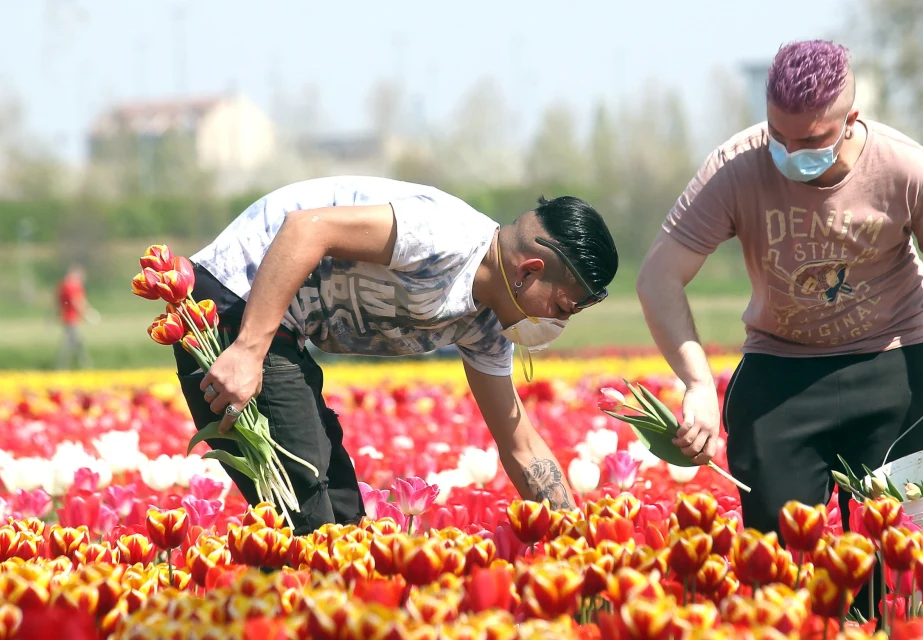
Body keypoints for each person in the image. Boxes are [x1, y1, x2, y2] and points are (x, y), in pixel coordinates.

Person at [637, 40, 923, 614]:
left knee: (890, 567)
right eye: (778, 135)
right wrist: (699, 385)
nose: (788, 152)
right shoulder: (735, 168)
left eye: (809, 140)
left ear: (851, 118)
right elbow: (659, 277)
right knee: (778, 568)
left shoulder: (906, 166)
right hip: (780, 372)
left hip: (893, 366)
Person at [183, 176, 617, 533]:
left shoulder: (486, 322)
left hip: (282, 337)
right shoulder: (443, 235)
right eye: (560, 307)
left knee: (343, 520)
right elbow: (306, 229)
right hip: (231, 305)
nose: (557, 324)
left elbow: (520, 445)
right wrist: (246, 350)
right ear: (529, 271)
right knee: (308, 524)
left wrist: (575, 541)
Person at [56, 264, 95, 369]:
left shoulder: (63, 285)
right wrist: (88, 313)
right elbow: (77, 301)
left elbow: (58, 302)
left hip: (66, 317)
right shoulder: (73, 286)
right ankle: (66, 366)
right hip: (72, 318)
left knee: (75, 342)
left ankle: (83, 364)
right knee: (72, 343)